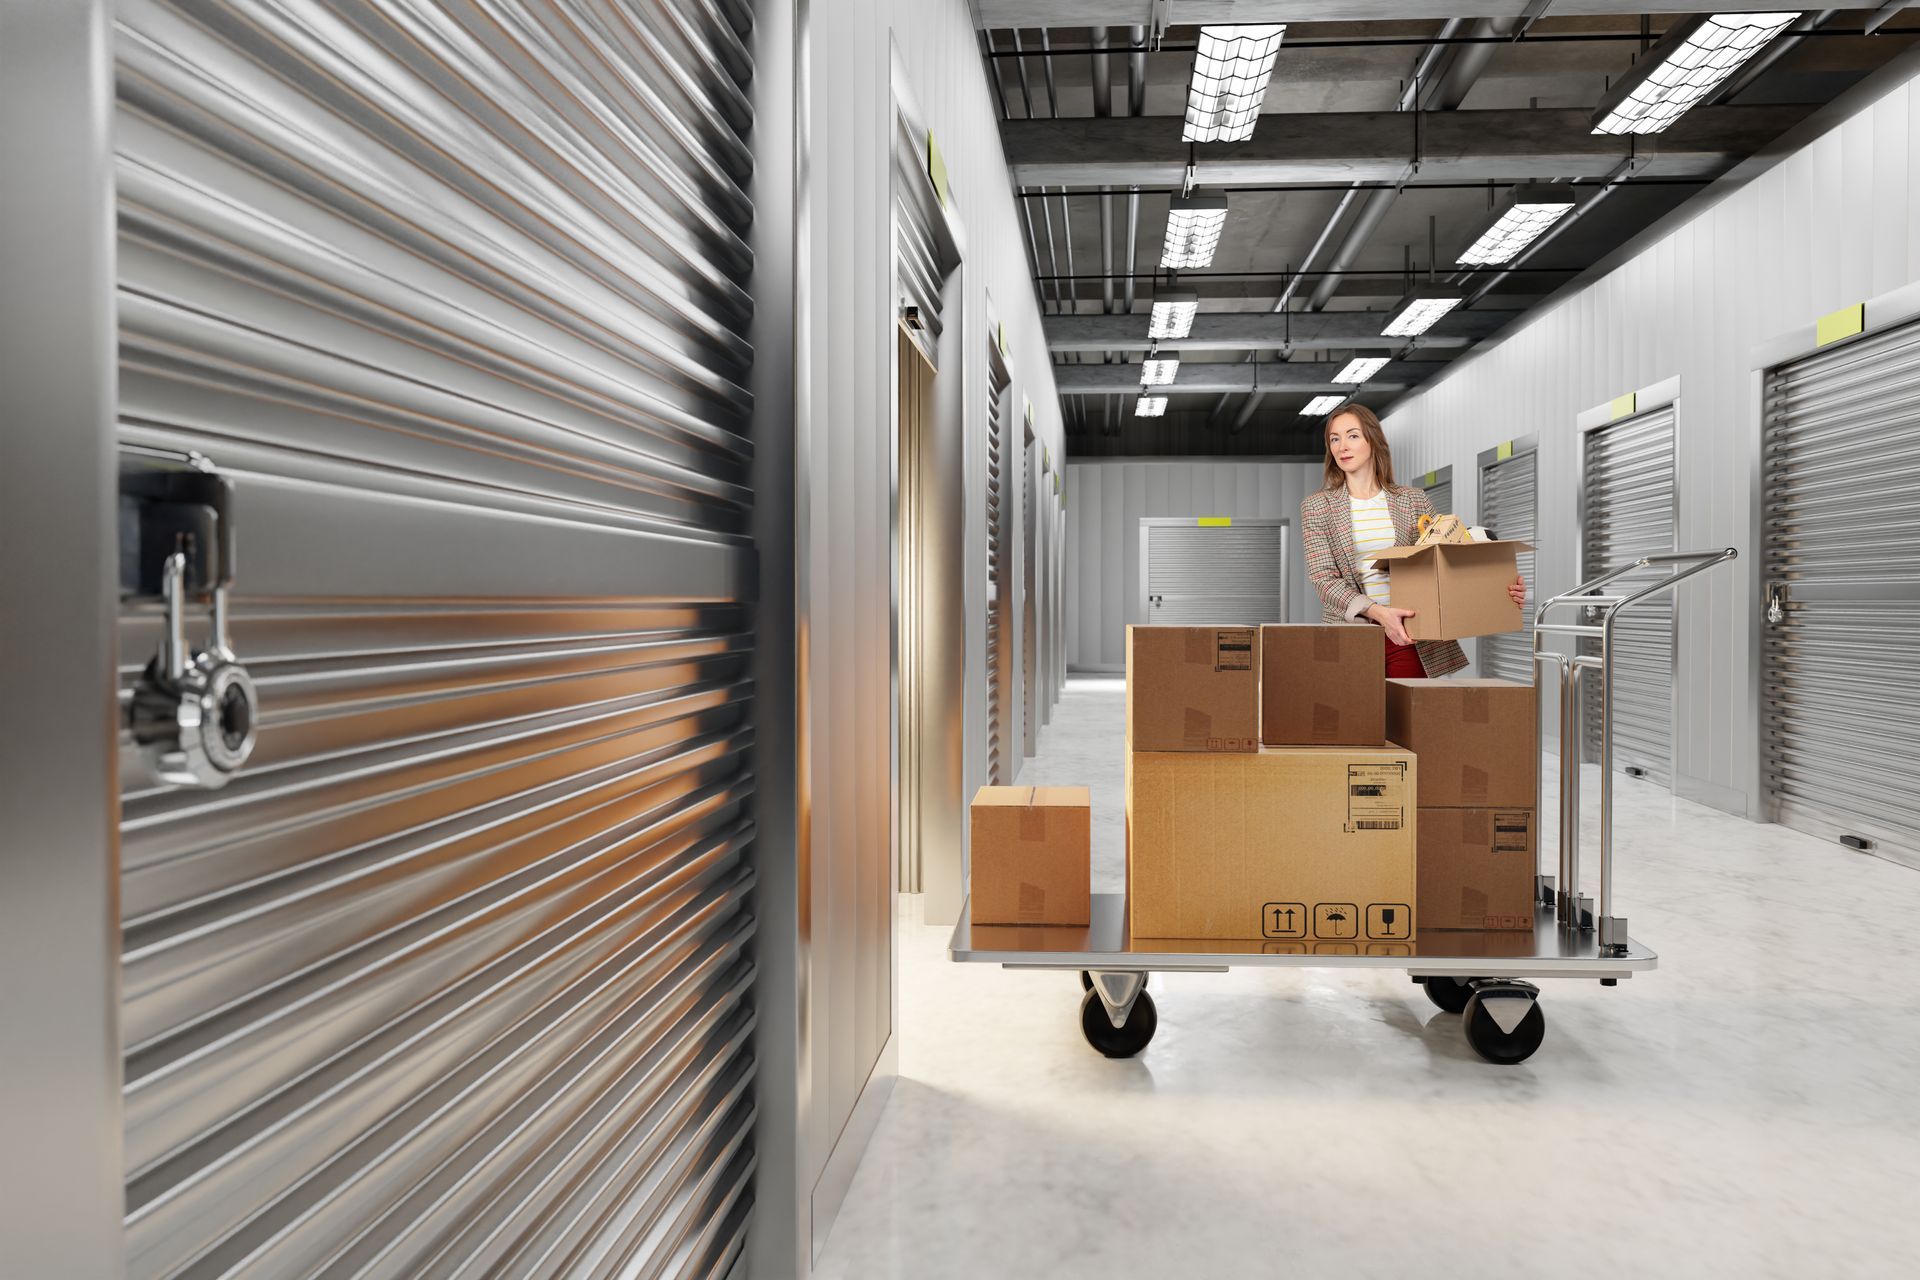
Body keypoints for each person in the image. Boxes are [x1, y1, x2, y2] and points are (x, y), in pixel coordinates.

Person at [1301, 404, 1525, 678]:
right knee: (1354, 719)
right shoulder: (1317, 506)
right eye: (1334, 439)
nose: (1342, 446)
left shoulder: (1412, 500)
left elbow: (1446, 559)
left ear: (1373, 440)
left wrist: (1497, 588)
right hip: (1351, 637)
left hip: (1411, 634)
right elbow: (1323, 579)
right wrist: (1380, 614)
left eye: (1353, 436)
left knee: (1405, 719)